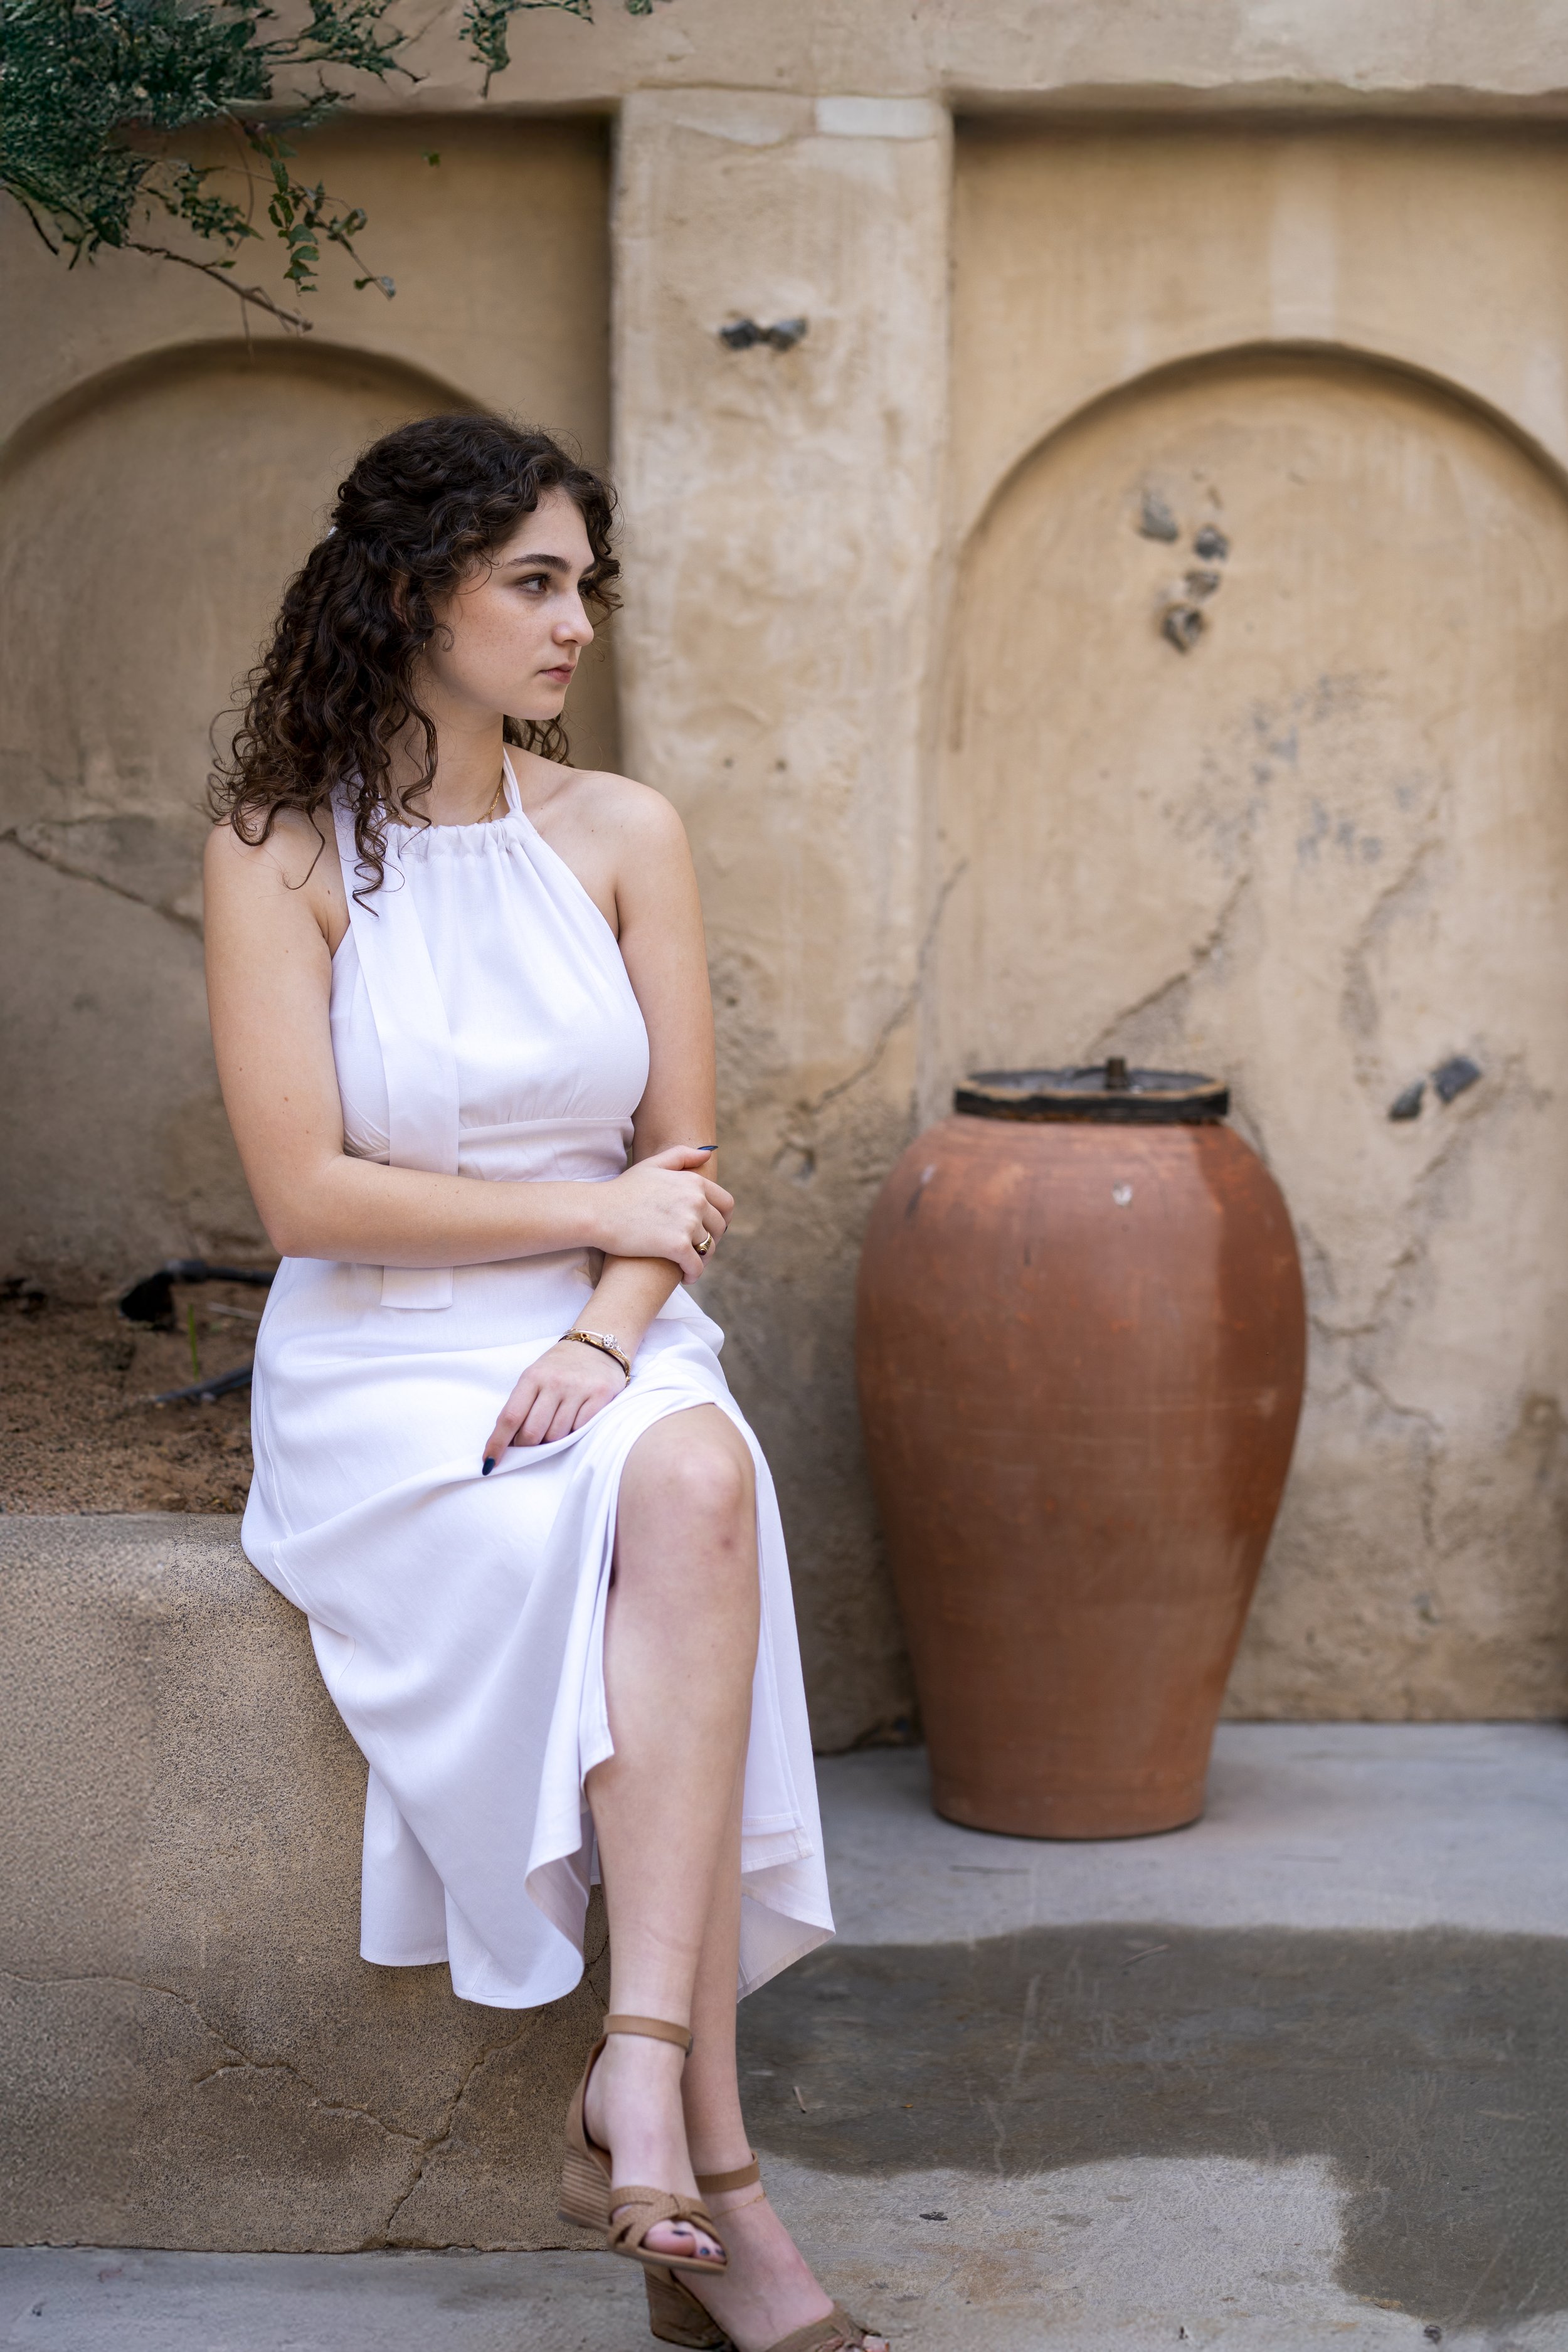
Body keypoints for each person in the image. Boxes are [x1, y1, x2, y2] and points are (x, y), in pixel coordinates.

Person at [203, 414, 886, 2352]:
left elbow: (686, 1168)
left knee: (684, 1474)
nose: (576, 622)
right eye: (535, 581)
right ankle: (721, 2192)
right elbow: (304, 1193)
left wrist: (604, 1323)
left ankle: (640, 2076)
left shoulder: (622, 833)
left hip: (599, 1326)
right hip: (380, 1363)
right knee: (672, 1502)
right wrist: (591, 1211)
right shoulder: (276, 853)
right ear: (414, 592)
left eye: (586, 584)